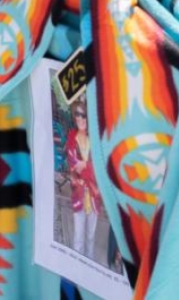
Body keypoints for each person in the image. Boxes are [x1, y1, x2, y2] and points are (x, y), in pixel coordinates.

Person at [65, 103, 102, 261]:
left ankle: (89, 271)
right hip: (79, 194)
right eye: (77, 115)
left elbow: (99, 168)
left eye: (83, 115)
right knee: (78, 238)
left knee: (90, 237)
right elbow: (73, 169)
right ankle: (76, 272)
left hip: (94, 196)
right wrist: (88, 170)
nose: (80, 118)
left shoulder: (96, 141)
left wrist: (86, 165)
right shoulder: (71, 141)